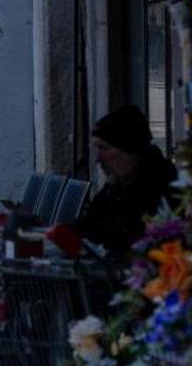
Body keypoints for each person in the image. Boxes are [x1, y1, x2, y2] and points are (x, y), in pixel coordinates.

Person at [72, 106, 180, 257]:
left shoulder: (159, 189)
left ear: (131, 152)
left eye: (104, 148)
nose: (98, 159)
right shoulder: (118, 184)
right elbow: (88, 225)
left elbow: (130, 245)